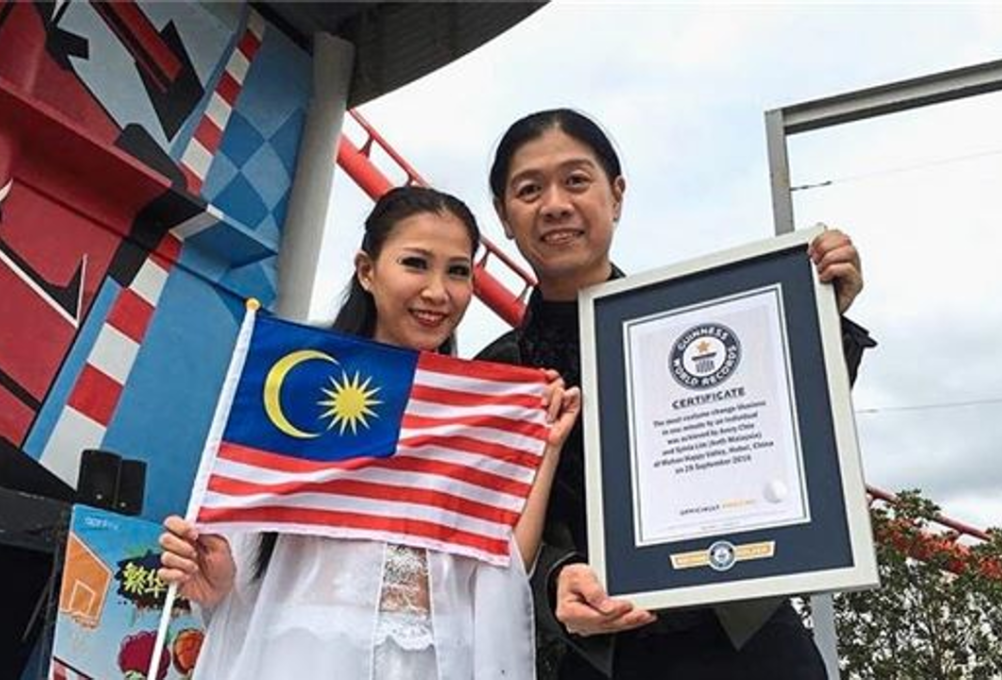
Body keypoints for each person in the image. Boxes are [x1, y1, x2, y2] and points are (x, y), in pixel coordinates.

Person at [476, 108, 876, 680]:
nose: (555, 204)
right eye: (529, 189)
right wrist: (556, 578)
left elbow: (790, 436)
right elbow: (493, 529)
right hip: (602, 656)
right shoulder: (494, 374)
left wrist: (816, 315)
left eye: (576, 180)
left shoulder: (702, 320)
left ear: (616, 195)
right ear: (504, 216)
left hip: (752, 643)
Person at [158, 186, 581, 679]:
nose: (437, 292)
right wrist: (217, 577)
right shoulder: (298, 385)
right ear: (366, 270)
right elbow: (245, 554)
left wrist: (546, 447)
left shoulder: (472, 413)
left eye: (458, 271)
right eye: (416, 263)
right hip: (302, 658)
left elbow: (500, 562)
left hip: (428, 662)